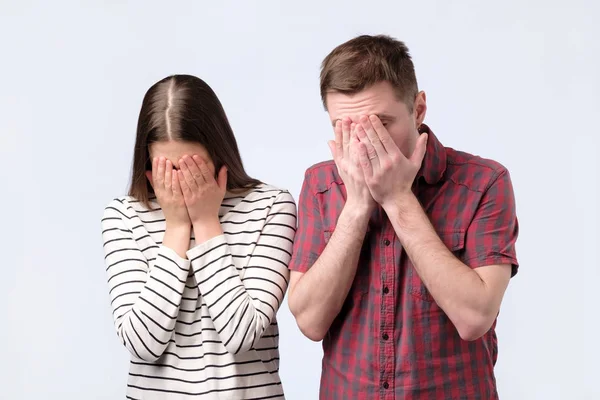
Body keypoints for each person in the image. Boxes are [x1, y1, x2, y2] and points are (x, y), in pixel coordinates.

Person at [287, 35, 519, 399]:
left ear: (419, 108)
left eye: (380, 123)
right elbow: (310, 321)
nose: (363, 143)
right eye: (344, 127)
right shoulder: (320, 183)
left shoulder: (483, 183)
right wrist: (358, 205)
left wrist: (397, 198)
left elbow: (474, 318)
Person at [100, 75, 296, 399]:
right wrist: (177, 228)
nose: (182, 183)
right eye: (169, 169)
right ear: (147, 164)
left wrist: (206, 222)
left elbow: (241, 334)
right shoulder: (123, 215)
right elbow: (142, 343)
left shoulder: (271, 206)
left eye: (194, 168)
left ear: (219, 154)